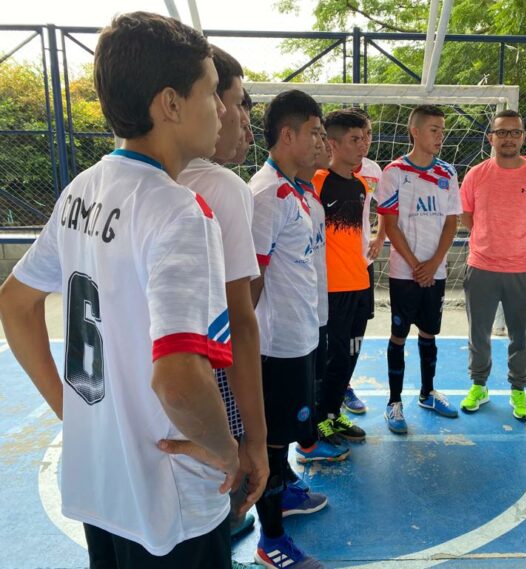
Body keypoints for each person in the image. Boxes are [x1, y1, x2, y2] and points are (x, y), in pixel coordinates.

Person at [0, 12, 239, 567]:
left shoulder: (84, 187)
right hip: (167, 499)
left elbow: (14, 302)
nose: (223, 109)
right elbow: (178, 378)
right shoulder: (180, 212)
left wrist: (73, 413)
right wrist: (228, 452)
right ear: (171, 105)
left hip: (99, 484)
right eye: (211, 93)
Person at [176, 46, 268, 540]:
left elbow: (17, 301)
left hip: (123, 420)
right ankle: (233, 517)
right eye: (223, 98)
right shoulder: (223, 190)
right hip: (196, 386)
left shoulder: (96, 184)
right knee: (209, 512)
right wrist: (254, 440)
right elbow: (239, 319)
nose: (229, 115)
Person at [248, 89, 325, 569]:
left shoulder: (299, 189)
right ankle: (269, 537)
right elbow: (250, 281)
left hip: (302, 334)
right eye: (315, 133)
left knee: (288, 434)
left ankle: (287, 493)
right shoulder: (265, 195)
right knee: (272, 441)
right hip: (276, 345)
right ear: (287, 135)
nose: (322, 142)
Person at [459, 109, 526, 418]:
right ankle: (479, 385)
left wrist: (523, 239)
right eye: (502, 132)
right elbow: (466, 214)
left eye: (514, 132)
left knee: (521, 335)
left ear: (523, 137)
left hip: (522, 270)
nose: (508, 138)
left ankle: (518, 390)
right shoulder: (477, 174)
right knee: (479, 333)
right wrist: (487, 237)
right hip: (482, 267)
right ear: (491, 137)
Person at [376, 104, 462, 434]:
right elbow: (391, 224)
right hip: (404, 272)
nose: (440, 135)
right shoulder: (394, 172)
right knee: (399, 335)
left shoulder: (448, 173)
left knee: (429, 333)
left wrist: (433, 264)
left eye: (442, 129)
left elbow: (451, 223)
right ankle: (394, 402)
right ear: (415, 131)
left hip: (434, 272)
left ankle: (427, 393)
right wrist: (416, 265)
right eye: (434, 129)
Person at [309, 110, 370, 448]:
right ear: (332, 143)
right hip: (331, 288)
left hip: (360, 283)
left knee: (350, 354)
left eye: (363, 138)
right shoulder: (317, 182)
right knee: (330, 358)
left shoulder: (361, 185)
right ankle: (319, 418)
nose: (362, 146)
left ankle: (333, 412)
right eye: (353, 140)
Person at [293, 127, 352, 464]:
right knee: (297, 385)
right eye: (313, 134)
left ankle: (312, 436)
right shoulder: (275, 194)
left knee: (317, 373)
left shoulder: (306, 193)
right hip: (292, 317)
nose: (321, 143)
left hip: (316, 306)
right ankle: (305, 446)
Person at [342, 107, 385, 415]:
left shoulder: (373, 170)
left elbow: (384, 207)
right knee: (332, 336)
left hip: (362, 265)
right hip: (332, 270)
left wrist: (380, 237)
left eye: (368, 134)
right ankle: (328, 391)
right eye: (356, 137)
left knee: (356, 335)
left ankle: (345, 385)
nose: (365, 142)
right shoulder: (322, 172)